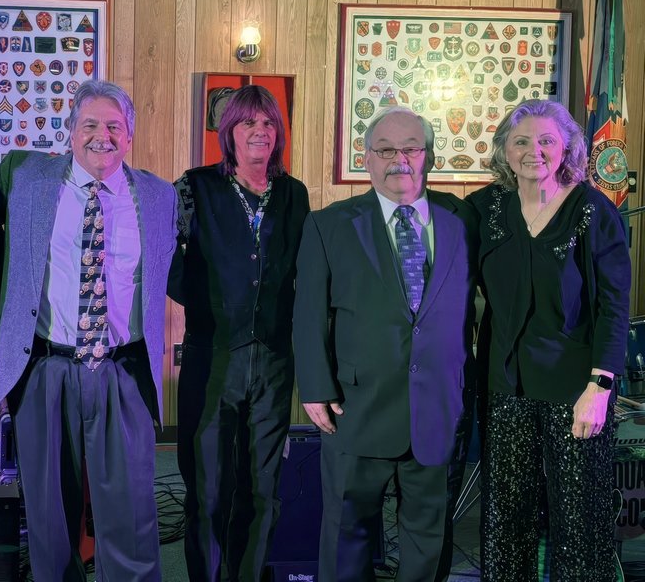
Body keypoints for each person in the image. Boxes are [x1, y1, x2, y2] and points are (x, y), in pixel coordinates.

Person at [0, 80, 176, 581]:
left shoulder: (159, 196)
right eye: (90, 124)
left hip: (123, 372)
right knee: (50, 520)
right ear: (70, 131)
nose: (101, 136)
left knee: (132, 519)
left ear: (129, 136)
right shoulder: (25, 177)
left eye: (114, 126)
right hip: (45, 368)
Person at [293, 106, 477, 582]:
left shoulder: (462, 219)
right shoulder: (329, 224)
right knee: (346, 532)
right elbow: (308, 313)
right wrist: (314, 387)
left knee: (428, 537)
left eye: (411, 149)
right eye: (386, 150)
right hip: (356, 406)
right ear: (367, 159)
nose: (400, 160)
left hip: (438, 407)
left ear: (429, 156)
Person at [468, 99, 630, 580]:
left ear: (567, 148)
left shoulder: (593, 210)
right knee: (505, 521)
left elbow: (614, 307)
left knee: (579, 522)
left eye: (545, 141)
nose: (532, 151)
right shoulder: (484, 208)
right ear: (505, 149)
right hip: (504, 385)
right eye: (520, 141)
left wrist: (600, 387)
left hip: (577, 389)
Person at [169, 85, 310, 581]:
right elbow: (166, 261)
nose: (260, 131)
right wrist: (208, 303)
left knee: (262, 490)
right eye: (248, 122)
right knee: (207, 491)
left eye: (268, 123)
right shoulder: (194, 187)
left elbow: (304, 272)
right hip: (212, 359)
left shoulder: (294, 194)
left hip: (273, 361)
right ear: (229, 131)